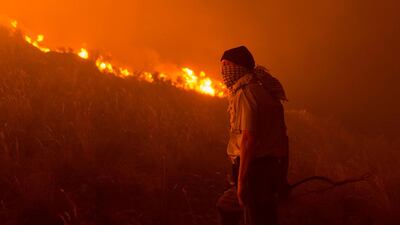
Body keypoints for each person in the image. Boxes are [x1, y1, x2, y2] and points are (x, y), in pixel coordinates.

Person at [217, 46, 289, 225]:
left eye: (227, 65)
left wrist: (242, 182)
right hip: (270, 167)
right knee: (231, 207)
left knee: (254, 216)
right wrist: (282, 175)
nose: (223, 71)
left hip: (255, 170)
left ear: (239, 66)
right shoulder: (265, 90)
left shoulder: (245, 93)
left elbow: (249, 138)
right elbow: (284, 138)